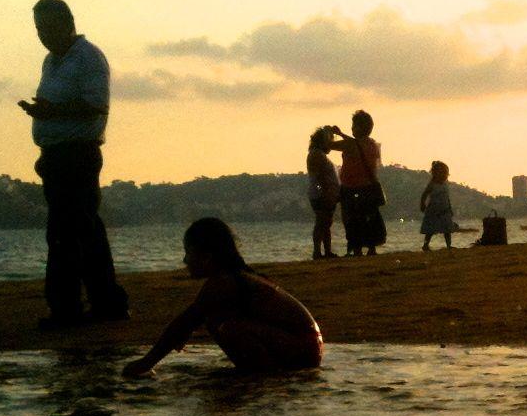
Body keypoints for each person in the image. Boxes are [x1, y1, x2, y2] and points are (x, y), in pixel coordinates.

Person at [17, 0, 129, 329]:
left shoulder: (88, 58)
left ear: (69, 22)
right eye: (39, 28)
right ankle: (105, 302)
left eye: (49, 26)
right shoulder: (51, 61)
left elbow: (97, 105)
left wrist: (51, 112)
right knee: (83, 231)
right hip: (57, 155)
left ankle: (68, 308)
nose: (43, 34)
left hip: (77, 154)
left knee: (67, 233)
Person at [122, 217, 323, 378]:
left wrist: (145, 363)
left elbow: (184, 322)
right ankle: (258, 374)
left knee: (227, 326)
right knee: (215, 319)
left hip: (302, 349)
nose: (184, 260)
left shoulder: (223, 282)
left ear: (207, 256)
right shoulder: (236, 277)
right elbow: (190, 322)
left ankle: (260, 376)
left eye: (188, 253)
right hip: (305, 347)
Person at [327, 112, 387, 255]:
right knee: (369, 218)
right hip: (368, 188)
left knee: (351, 220)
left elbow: (329, 145)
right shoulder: (373, 145)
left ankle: (356, 249)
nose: (352, 128)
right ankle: (371, 248)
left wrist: (329, 133)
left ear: (359, 127)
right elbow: (355, 143)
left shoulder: (350, 144)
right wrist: (341, 133)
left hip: (350, 188)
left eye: (354, 125)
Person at [307, 127, 340, 259]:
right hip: (321, 195)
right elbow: (320, 177)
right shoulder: (317, 155)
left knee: (326, 223)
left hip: (325, 194)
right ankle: (317, 252)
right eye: (329, 142)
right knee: (322, 222)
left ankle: (327, 251)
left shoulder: (318, 154)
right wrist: (326, 192)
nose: (331, 145)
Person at [420, 160, 459, 250]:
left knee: (447, 229)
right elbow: (424, 194)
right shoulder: (432, 184)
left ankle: (449, 245)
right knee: (430, 230)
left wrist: (450, 208)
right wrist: (422, 204)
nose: (445, 176)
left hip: (445, 210)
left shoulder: (445, 184)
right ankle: (426, 245)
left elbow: (447, 197)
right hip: (433, 210)